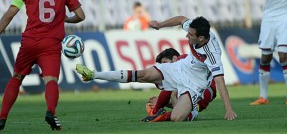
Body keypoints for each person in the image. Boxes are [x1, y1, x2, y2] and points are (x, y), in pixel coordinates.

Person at [76, 16, 237, 122]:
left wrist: (228, 110)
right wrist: (160, 25)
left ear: (201, 38)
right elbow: (181, 19)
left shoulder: (212, 54)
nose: (187, 36)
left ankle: (174, 114)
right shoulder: (197, 30)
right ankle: (93, 74)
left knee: (177, 118)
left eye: (190, 35)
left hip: (194, 85)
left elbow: (220, 82)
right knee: (143, 75)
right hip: (180, 68)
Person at [0, 0, 85, 131]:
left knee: (17, 77)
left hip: (30, 42)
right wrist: (65, 19)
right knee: (51, 80)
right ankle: (50, 112)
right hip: (51, 44)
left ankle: (2, 117)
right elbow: (81, 16)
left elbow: (10, 14)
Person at [145, 48, 217, 121]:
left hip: (204, 90)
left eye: (165, 62)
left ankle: (155, 112)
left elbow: (168, 91)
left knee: (171, 87)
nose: (164, 66)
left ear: (174, 58)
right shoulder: (185, 64)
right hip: (206, 92)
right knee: (186, 111)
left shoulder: (181, 59)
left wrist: (158, 104)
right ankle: (189, 113)